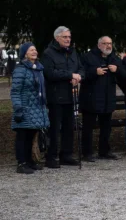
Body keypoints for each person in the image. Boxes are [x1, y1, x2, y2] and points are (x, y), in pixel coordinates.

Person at [41, 26, 83, 168]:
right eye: (65, 37)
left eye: (69, 37)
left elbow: (81, 68)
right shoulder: (48, 53)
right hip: (55, 97)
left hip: (71, 96)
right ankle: (51, 156)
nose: (68, 39)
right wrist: (70, 75)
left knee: (69, 127)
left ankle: (66, 155)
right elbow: (50, 73)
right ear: (57, 38)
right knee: (54, 128)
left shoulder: (73, 52)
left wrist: (78, 77)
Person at [79, 36, 122, 162]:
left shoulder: (114, 58)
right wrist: (94, 72)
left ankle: (104, 151)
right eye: (105, 43)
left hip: (108, 98)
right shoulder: (88, 57)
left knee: (106, 127)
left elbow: (124, 74)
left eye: (110, 43)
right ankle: (87, 153)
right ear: (99, 45)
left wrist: (117, 70)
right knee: (88, 127)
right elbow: (81, 74)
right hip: (91, 98)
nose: (108, 46)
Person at [11, 43, 49, 174]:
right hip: (24, 107)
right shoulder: (20, 70)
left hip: (37, 108)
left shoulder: (39, 68)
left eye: (35, 49)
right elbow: (15, 91)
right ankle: (21, 163)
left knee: (31, 135)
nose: (34, 51)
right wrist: (18, 108)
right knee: (22, 135)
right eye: (31, 50)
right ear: (25, 53)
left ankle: (29, 160)